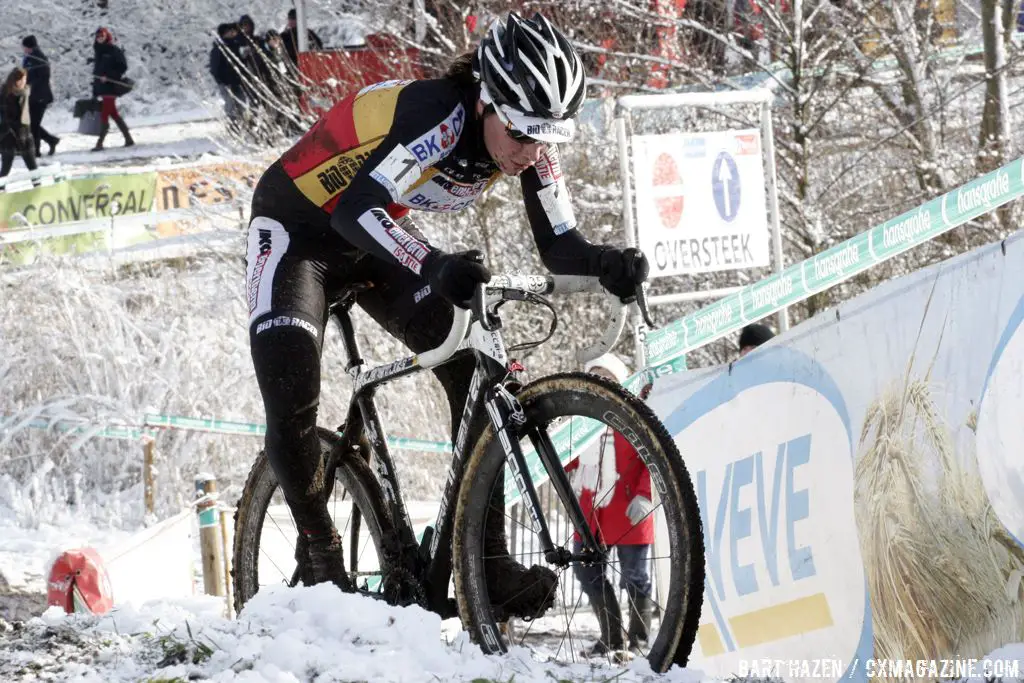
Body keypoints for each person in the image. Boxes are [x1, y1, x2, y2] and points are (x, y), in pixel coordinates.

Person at [244, 11, 650, 619]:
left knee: (470, 366)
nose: (530, 152)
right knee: (291, 392)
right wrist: (433, 263)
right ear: (487, 101)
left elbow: (560, 243)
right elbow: (354, 208)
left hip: (373, 237)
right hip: (297, 232)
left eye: (547, 138)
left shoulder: (526, 141)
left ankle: (487, 565)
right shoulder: (436, 116)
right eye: (520, 134)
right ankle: (321, 554)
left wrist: (605, 263)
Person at [565, 354, 655, 657]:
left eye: (607, 377)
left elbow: (651, 460)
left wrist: (645, 495)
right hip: (591, 512)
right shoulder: (580, 420)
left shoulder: (636, 414)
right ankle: (611, 637)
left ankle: (639, 641)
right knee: (586, 570)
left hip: (630, 509)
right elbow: (568, 461)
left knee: (634, 578)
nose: (600, 382)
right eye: (596, 375)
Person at [90, 27, 134, 151]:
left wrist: (108, 76)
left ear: (106, 36)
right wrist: (95, 88)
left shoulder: (113, 50)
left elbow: (122, 67)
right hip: (101, 87)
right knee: (113, 114)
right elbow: (97, 71)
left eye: (102, 36)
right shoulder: (98, 51)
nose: (99, 38)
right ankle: (128, 138)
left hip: (110, 87)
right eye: (98, 36)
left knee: (105, 114)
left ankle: (100, 143)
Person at [21, 36, 59, 157]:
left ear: (29, 47)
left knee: (33, 125)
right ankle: (51, 140)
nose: (23, 49)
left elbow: (43, 76)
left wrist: (30, 85)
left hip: (40, 96)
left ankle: (36, 150)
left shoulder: (38, 57)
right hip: (32, 96)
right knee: (31, 124)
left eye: (24, 47)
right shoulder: (29, 58)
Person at [0, 68, 38, 183]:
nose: (24, 82)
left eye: (25, 79)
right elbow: (5, 116)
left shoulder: (25, 92)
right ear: (15, 80)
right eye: (22, 79)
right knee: (6, 168)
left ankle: (39, 189)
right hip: (8, 135)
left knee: (33, 167)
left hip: (25, 134)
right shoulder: (5, 95)